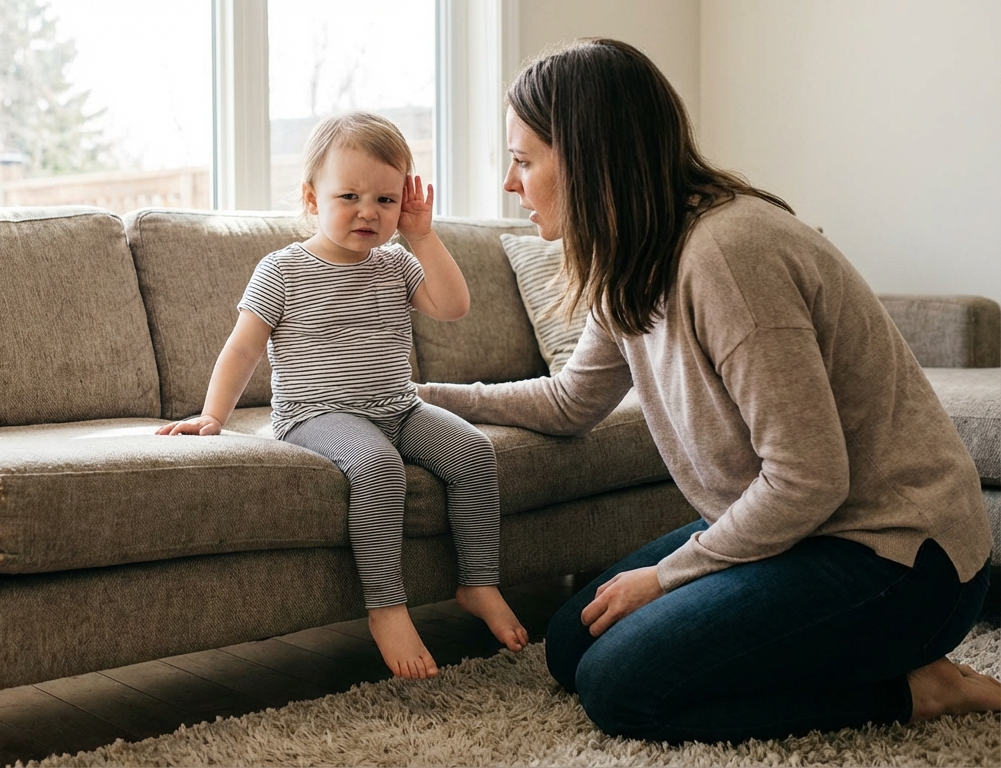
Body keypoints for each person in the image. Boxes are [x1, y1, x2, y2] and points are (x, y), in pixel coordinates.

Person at [419, 38, 1001, 741]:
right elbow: (571, 402)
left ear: (586, 157)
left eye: (523, 161)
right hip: (797, 535)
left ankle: (916, 690)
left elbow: (809, 477)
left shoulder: (728, 253)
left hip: (896, 556)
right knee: (574, 644)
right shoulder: (631, 259)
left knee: (621, 689)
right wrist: (422, 395)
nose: (512, 186)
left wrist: (666, 577)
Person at [157, 112, 529, 679]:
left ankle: (478, 582)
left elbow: (454, 306)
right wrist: (213, 416)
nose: (367, 211)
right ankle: (387, 607)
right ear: (311, 198)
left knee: (475, 450)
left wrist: (423, 236)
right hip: (316, 416)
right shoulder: (282, 270)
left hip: (398, 407)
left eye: (385, 199)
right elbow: (242, 350)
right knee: (378, 466)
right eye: (349, 195)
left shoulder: (399, 264)